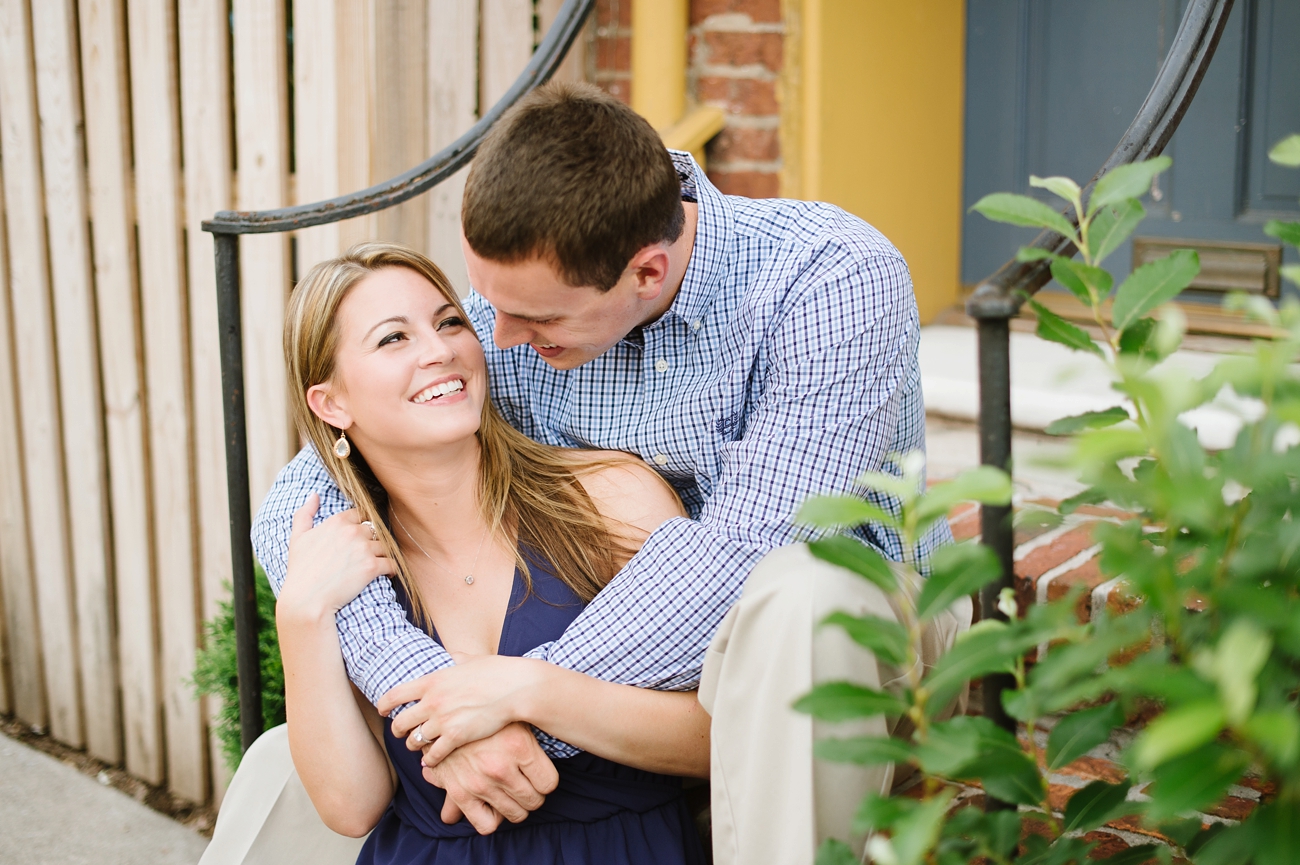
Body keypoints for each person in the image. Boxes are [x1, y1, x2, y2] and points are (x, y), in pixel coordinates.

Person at [234, 81, 964, 864]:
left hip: (847, 624)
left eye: (538, 321)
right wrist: (424, 692)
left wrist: (516, 696)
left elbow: (746, 561)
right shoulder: (523, 295)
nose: (494, 339)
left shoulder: (828, 278)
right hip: (617, 660)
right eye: (479, 303)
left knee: (798, 595)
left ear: (647, 274)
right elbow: (290, 510)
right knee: (287, 774)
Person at [226, 243, 709, 864]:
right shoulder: (350, 573)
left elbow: (718, 736)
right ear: (332, 404)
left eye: (449, 321)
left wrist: (530, 693)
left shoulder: (609, 500)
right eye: (392, 339)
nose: (438, 350)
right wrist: (300, 615)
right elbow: (351, 805)